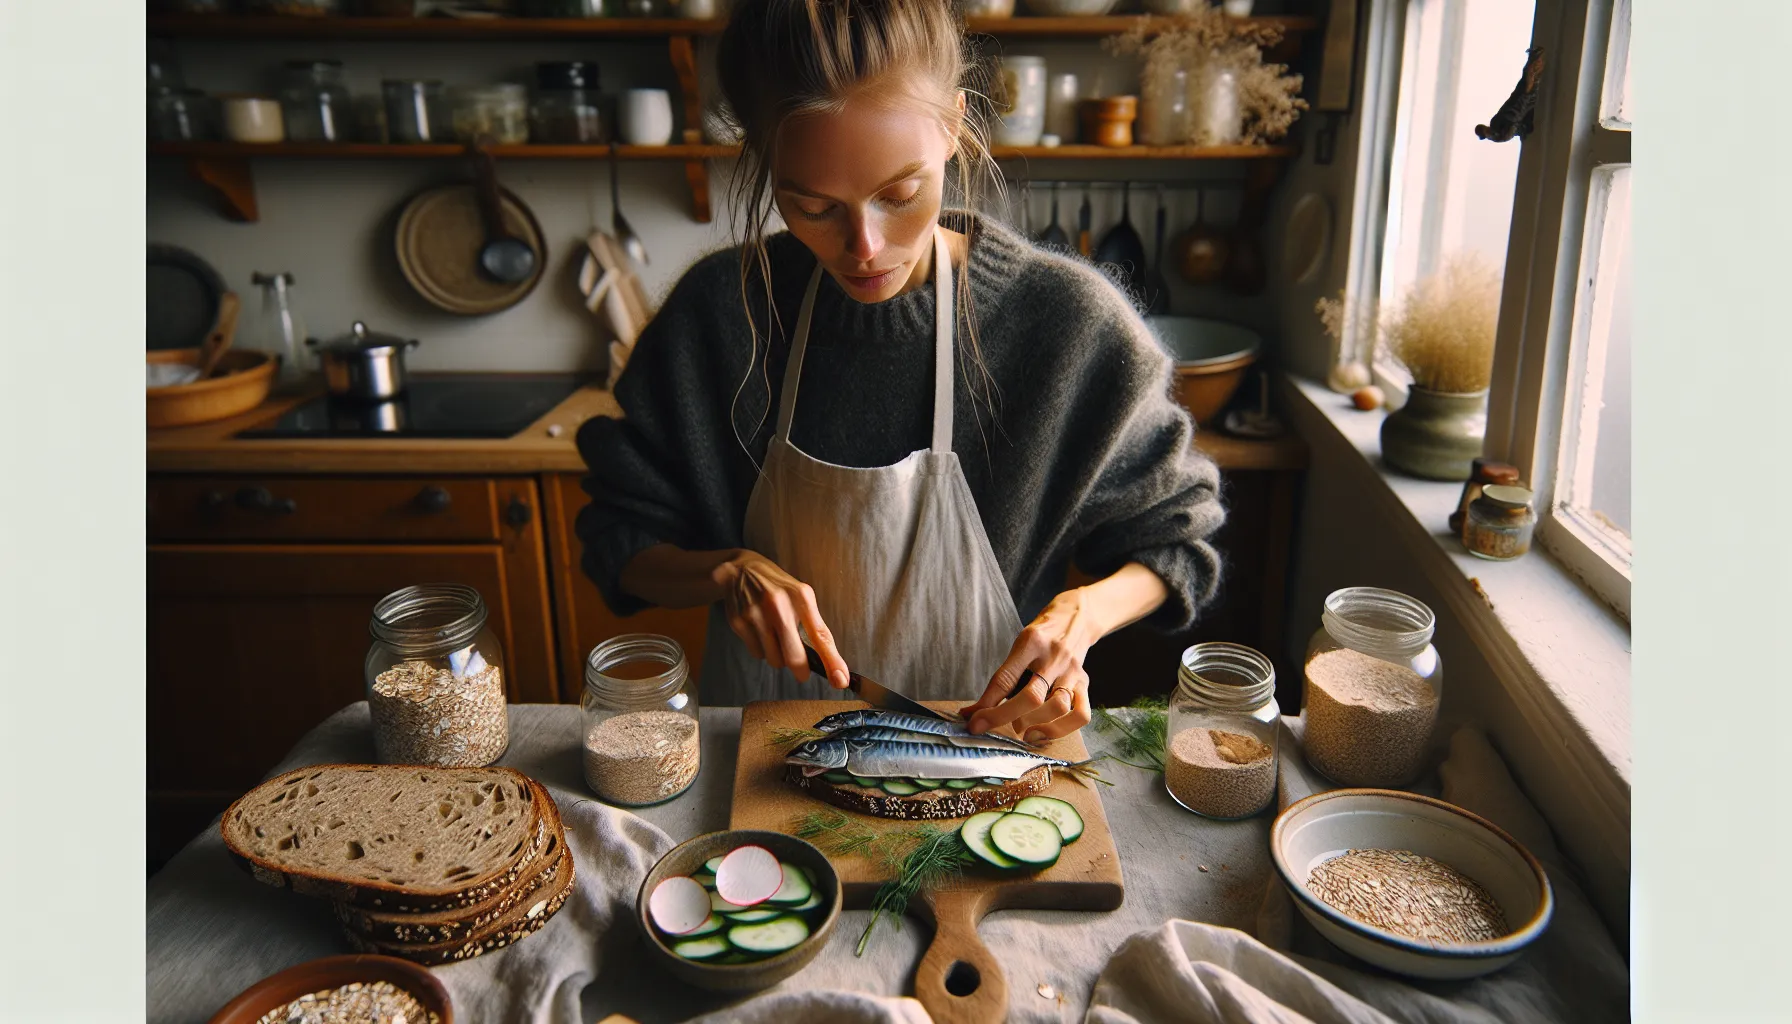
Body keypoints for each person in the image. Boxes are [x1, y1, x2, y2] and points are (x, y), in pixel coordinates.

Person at [576, 0, 1225, 743]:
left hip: (988, 755)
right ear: (763, 160)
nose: (865, 247)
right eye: (812, 205)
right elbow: (619, 540)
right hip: (763, 756)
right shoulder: (717, 316)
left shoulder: (1067, 325)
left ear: (953, 124)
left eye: (900, 194)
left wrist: (1080, 618)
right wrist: (725, 573)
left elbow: (1175, 543)